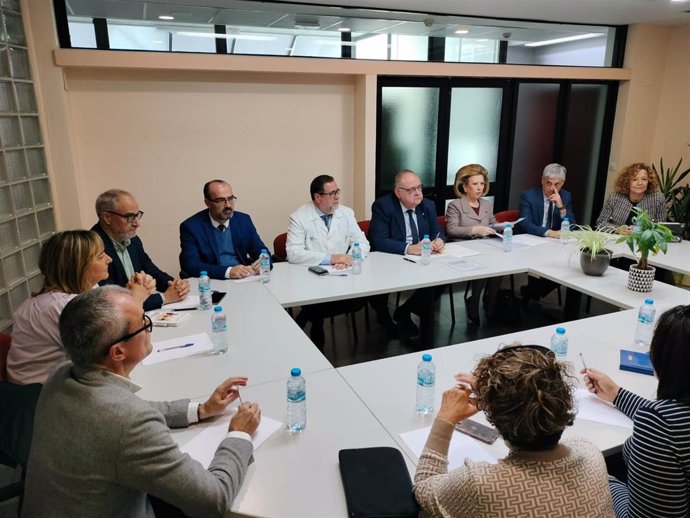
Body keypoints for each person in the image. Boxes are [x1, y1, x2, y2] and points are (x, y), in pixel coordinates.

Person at [22, 286, 261, 517]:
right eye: (144, 324)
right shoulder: (130, 422)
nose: (149, 329)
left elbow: (123, 411)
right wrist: (239, 434)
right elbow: (213, 500)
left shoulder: (61, 374)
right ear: (118, 353)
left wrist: (201, 410)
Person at [414, 344, 613, 517]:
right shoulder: (590, 453)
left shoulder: (481, 485)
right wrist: (502, 396)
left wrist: (445, 419)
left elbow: (423, 489)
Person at [583, 304, 690, 518]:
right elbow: (675, 416)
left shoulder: (660, 424)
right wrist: (617, 394)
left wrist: (604, 482)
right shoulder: (669, 418)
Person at [7, 230, 145, 385]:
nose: (109, 259)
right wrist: (135, 300)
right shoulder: (62, 307)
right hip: (42, 395)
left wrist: (129, 294)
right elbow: (111, 346)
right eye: (100, 257)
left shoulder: (86, 290)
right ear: (80, 267)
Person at [286, 175, 375, 345]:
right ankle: (314, 341)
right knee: (316, 306)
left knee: (361, 299)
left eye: (337, 192)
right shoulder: (300, 216)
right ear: (317, 197)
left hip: (344, 276)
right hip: (312, 279)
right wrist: (331, 258)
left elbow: (362, 242)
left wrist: (350, 256)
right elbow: (293, 252)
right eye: (332, 193)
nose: (337, 197)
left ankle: (301, 326)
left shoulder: (346, 213)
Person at [369, 170, 445, 337]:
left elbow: (438, 231)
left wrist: (439, 241)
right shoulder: (384, 206)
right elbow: (379, 240)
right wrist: (409, 248)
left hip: (421, 259)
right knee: (381, 281)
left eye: (419, 187)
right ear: (398, 192)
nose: (418, 193)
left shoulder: (427, 205)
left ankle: (405, 310)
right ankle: (384, 318)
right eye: (411, 189)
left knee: (442, 280)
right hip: (392, 258)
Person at [92, 189, 190, 311]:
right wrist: (165, 297)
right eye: (130, 217)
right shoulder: (92, 248)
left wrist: (174, 285)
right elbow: (112, 302)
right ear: (107, 218)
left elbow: (151, 271)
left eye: (137, 215)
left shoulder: (133, 239)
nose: (137, 224)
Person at [445, 164, 502, 325]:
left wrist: (502, 226)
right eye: (475, 184)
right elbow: (451, 230)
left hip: (485, 247)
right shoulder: (455, 205)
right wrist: (475, 229)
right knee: (483, 264)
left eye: (482, 184)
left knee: (500, 265)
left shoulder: (485, 204)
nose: (479, 188)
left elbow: (492, 223)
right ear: (464, 187)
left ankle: (491, 304)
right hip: (463, 248)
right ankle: (474, 304)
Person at [180, 180, 270, 280]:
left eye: (230, 199)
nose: (228, 205)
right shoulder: (191, 227)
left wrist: (264, 261)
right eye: (220, 200)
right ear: (208, 203)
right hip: (213, 282)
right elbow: (190, 265)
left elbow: (261, 251)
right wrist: (228, 272)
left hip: (243, 279)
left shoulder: (243, 220)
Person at [519, 163, 576, 302]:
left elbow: (573, 225)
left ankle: (533, 292)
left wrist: (561, 206)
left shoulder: (566, 196)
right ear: (542, 181)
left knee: (570, 267)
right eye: (548, 183)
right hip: (533, 241)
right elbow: (525, 224)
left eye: (557, 184)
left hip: (555, 244)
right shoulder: (529, 195)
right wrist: (549, 233)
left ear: (562, 183)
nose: (552, 188)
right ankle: (532, 293)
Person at [596, 162, 665, 234]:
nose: (640, 183)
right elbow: (601, 222)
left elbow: (662, 227)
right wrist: (617, 229)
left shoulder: (658, 199)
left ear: (649, 182)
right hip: (616, 240)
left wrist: (641, 230)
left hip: (644, 242)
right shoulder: (614, 197)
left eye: (644, 179)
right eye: (634, 179)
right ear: (627, 182)